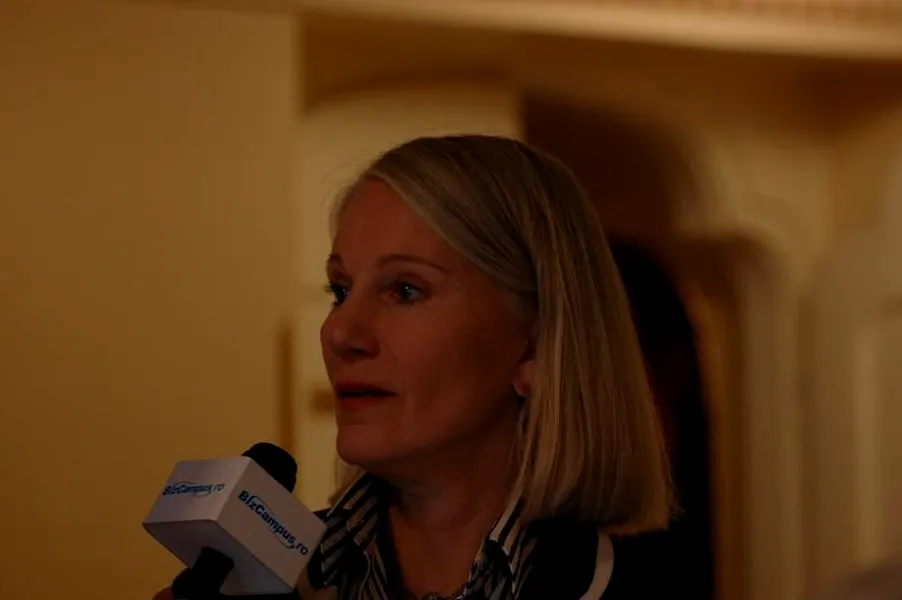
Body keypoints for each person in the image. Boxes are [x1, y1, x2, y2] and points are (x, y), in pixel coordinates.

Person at [155, 134, 674, 599]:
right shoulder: (264, 582)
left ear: (535, 346)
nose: (339, 333)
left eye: (405, 290)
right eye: (340, 290)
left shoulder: (633, 585)